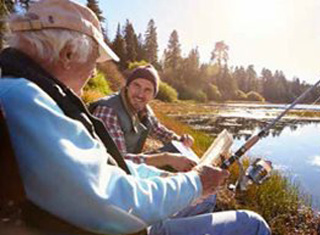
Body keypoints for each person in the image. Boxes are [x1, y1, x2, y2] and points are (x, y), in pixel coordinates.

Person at [0, 0, 271, 235]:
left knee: (206, 200)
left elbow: (105, 167)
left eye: (148, 90)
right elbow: (112, 202)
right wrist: (195, 181)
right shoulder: (29, 100)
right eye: (94, 63)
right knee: (253, 224)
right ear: (68, 54)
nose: (94, 73)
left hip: (118, 214)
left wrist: (165, 173)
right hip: (130, 226)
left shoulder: (32, 95)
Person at [90, 66, 197, 172]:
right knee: (171, 160)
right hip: (106, 173)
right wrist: (165, 159)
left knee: (178, 152)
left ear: (153, 96)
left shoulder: (145, 110)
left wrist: (182, 140)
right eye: (136, 85)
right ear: (127, 86)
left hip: (127, 168)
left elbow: (160, 131)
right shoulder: (108, 111)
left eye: (148, 90)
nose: (140, 94)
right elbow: (117, 161)